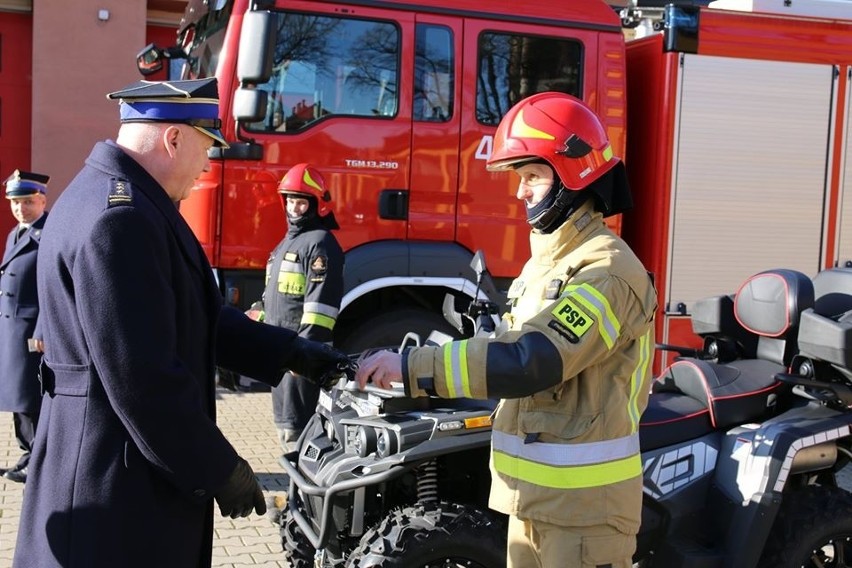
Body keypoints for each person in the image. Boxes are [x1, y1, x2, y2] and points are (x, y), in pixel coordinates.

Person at [12, 78, 351, 568]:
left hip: (110, 475)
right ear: (174, 139)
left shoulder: (116, 197)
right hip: (114, 493)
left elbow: (197, 318)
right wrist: (219, 469)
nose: (208, 164)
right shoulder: (122, 218)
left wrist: (293, 353)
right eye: (207, 147)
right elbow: (143, 377)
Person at [355, 92, 658, 568]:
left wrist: (413, 368)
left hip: (584, 520)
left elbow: (532, 359)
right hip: (533, 505)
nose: (520, 192)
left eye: (532, 176)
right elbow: (509, 342)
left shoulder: (609, 270)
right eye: (520, 178)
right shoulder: (550, 265)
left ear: (572, 174)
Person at [247, 163, 344, 454]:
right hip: (283, 355)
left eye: (301, 201)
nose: (294, 208)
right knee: (287, 430)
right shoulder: (285, 245)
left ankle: (300, 498)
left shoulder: (320, 244)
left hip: (300, 361)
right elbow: (275, 301)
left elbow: (320, 310)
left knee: (301, 434)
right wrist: (254, 319)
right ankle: (294, 496)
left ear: (317, 205)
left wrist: (303, 356)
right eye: (290, 200)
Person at [0, 170, 49, 484]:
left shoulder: (48, 233)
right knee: (18, 397)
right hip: (12, 328)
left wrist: (44, 330)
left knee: (32, 396)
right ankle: (24, 453)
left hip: (33, 331)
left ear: (42, 199)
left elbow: (51, 286)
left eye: (27, 202)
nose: (20, 208)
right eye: (15, 202)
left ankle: (39, 459)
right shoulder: (16, 233)